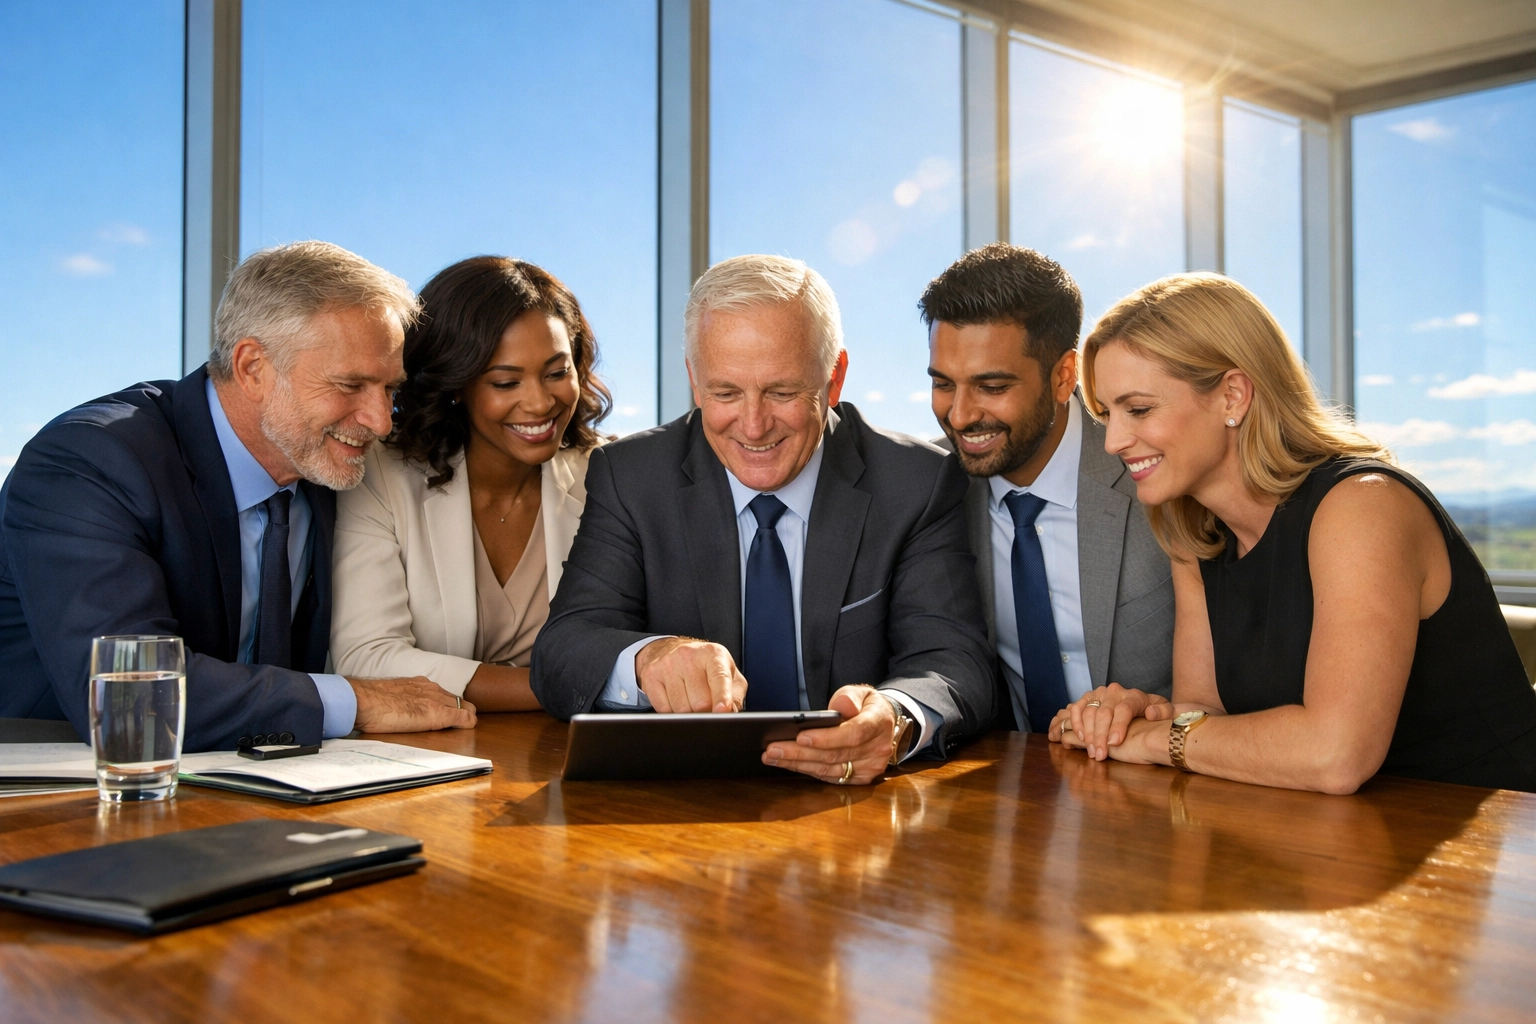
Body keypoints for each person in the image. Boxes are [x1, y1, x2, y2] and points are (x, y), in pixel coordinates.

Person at [1055, 272, 1536, 793]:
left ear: (1233, 396)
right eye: (1107, 414)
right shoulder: (1192, 530)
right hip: (1333, 840)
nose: (1114, 442)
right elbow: (1203, 715)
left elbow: (1335, 754)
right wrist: (1133, 716)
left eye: (1139, 409)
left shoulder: (1362, 506)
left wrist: (1151, 740)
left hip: (1497, 839)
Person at [531, 255, 996, 785]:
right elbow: (562, 649)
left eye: (781, 392)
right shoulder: (632, 476)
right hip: (683, 801)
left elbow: (955, 660)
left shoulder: (915, 481)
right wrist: (646, 658)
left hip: (853, 805)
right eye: (725, 393)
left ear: (834, 376)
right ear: (693, 379)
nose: (753, 426)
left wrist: (894, 718)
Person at [0, 241, 476, 750]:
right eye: (349, 385)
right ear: (252, 367)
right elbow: (131, 698)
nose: (379, 421)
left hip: (254, 779)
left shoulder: (325, 466)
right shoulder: (89, 462)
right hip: (60, 789)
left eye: (390, 391)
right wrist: (356, 701)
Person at [331, 257, 608, 710]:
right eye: (505, 382)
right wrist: (568, 688)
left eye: (557, 373)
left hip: (559, 756)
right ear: (457, 383)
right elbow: (368, 658)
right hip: (419, 757)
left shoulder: (606, 475)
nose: (540, 402)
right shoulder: (378, 475)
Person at [921, 244, 1174, 737]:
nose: (960, 415)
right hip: (1010, 786)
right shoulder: (930, 485)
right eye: (944, 384)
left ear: (1063, 377)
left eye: (992, 387)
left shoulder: (1156, 467)